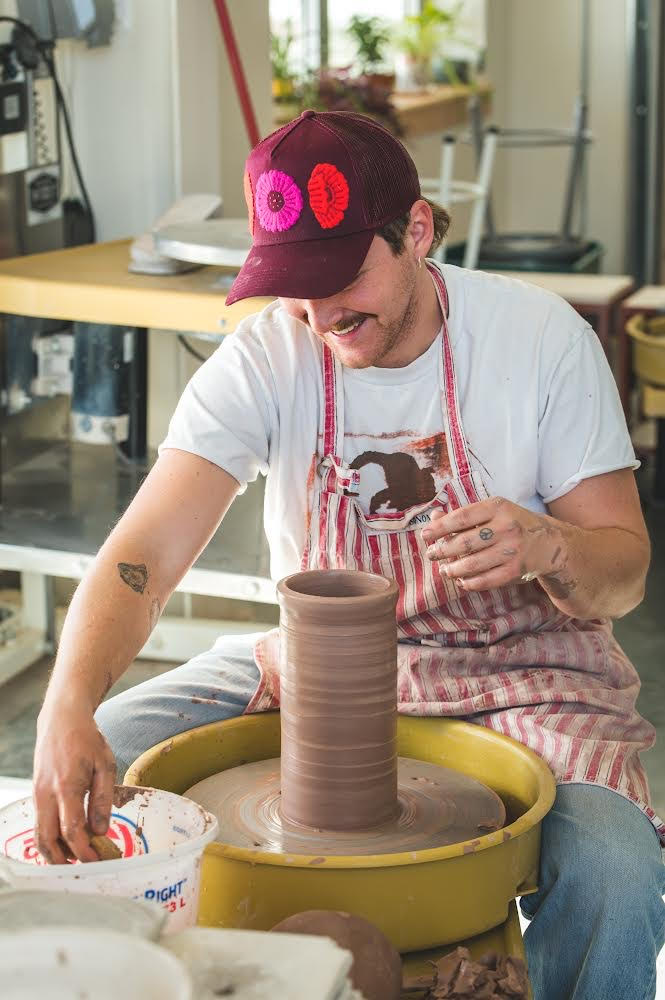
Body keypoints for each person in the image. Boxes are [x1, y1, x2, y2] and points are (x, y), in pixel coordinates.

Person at [34, 110, 663, 999]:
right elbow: (144, 554)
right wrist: (66, 704)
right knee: (103, 762)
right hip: (318, 671)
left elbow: (624, 576)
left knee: (616, 870)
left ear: (413, 231)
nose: (322, 314)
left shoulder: (538, 340)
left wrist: (548, 544)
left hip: (523, 672)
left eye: (342, 277)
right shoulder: (268, 353)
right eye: (296, 285)